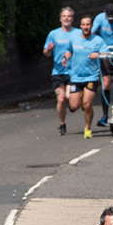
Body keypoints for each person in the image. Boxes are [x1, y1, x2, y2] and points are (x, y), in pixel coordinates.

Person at [67, 15, 108, 139]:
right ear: (80, 26)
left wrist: (99, 54)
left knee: (87, 103)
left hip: (91, 76)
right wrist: (66, 56)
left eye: (88, 25)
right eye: (83, 25)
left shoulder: (98, 40)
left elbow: (107, 53)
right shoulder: (74, 39)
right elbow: (69, 50)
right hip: (76, 77)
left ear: (91, 26)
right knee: (74, 106)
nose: (86, 27)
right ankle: (82, 105)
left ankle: (87, 128)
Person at [44, 7, 80, 136]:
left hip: (73, 71)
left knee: (69, 98)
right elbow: (46, 53)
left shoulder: (78, 33)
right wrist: (48, 50)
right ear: (60, 19)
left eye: (69, 16)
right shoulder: (53, 34)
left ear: (73, 19)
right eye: (64, 16)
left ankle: (74, 104)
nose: (67, 18)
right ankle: (62, 124)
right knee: (60, 99)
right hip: (58, 71)